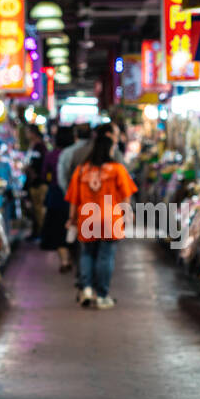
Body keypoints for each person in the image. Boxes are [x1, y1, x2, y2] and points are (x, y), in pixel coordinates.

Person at [65, 131, 137, 309]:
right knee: (106, 256)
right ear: (109, 149)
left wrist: (71, 219)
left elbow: (74, 199)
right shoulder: (117, 169)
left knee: (87, 254)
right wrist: (127, 214)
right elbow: (126, 196)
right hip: (110, 219)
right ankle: (103, 295)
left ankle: (87, 288)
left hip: (87, 218)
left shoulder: (82, 170)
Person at [39, 125, 75, 272]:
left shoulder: (52, 155)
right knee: (73, 226)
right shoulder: (75, 154)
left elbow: (44, 175)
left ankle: (64, 260)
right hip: (75, 196)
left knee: (58, 229)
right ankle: (72, 257)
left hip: (56, 196)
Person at [24, 124, 49, 239]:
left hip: (39, 183)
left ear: (33, 133)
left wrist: (33, 173)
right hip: (34, 183)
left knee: (39, 210)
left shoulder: (40, 147)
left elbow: (39, 165)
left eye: (28, 132)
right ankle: (38, 233)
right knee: (36, 210)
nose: (26, 135)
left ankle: (43, 234)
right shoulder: (34, 146)